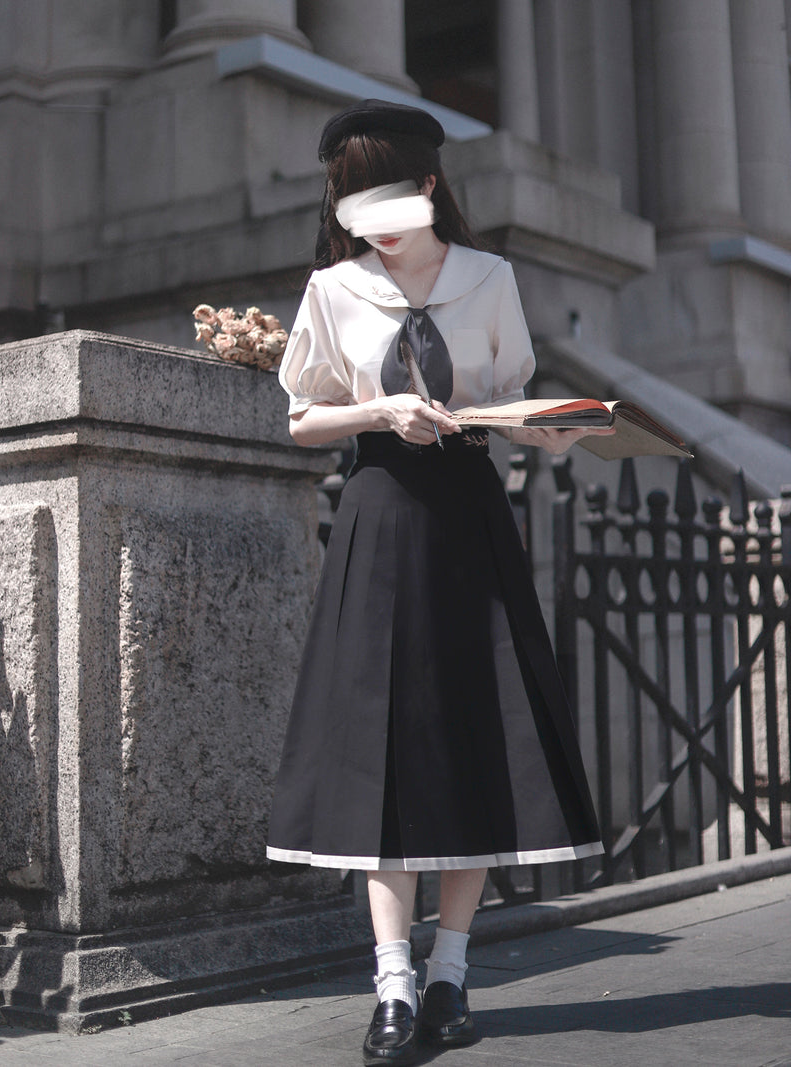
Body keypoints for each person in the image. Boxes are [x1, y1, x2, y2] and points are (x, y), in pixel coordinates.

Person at [267, 99, 608, 1066]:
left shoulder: (489, 278)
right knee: (382, 751)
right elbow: (300, 417)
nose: (365, 217)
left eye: (382, 195)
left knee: (472, 733)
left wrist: (558, 425)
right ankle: (392, 985)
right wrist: (379, 411)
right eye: (348, 201)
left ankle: (452, 971)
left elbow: (514, 403)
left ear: (425, 190)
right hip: (379, 515)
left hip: (469, 516)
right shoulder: (332, 290)